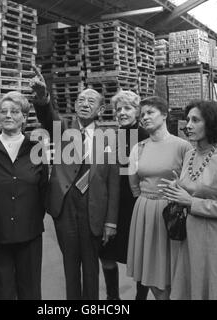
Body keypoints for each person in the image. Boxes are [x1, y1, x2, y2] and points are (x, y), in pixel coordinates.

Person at [31, 67, 120, 300]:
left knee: (91, 267)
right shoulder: (64, 132)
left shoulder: (109, 139)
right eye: (81, 100)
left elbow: (113, 183)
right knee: (70, 266)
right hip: (66, 208)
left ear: (100, 109)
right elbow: (47, 118)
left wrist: (111, 221)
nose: (84, 103)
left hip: (94, 209)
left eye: (91, 101)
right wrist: (42, 99)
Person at [161, 100, 217, 300]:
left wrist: (191, 202)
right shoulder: (190, 155)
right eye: (187, 120)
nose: (189, 125)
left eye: (195, 120)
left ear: (210, 123)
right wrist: (177, 189)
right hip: (191, 238)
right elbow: (190, 187)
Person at [0, 91, 48, 300]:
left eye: (15, 111)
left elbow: (43, 188)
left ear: (24, 117)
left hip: (29, 232)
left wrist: (35, 218)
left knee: (30, 289)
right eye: (4, 111)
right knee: (1, 290)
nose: (8, 115)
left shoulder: (35, 148)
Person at [126, 96, 192, 300]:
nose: (144, 117)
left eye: (150, 112)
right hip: (146, 211)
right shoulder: (139, 148)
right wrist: (147, 199)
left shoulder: (183, 147)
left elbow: (192, 181)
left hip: (172, 213)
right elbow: (133, 182)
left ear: (164, 115)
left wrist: (175, 194)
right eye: (142, 114)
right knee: (152, 271)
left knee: (173, 268)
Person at [98, 90, 150, 300]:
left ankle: (140, 298)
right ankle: (113, 298)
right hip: (112, 205)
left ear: (137, 112)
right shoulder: (110, 137)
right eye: (118, 109)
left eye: (127, 108)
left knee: (140, 257)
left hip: (136, 204)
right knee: (107, 254)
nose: (121, 112)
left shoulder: (146, 137)